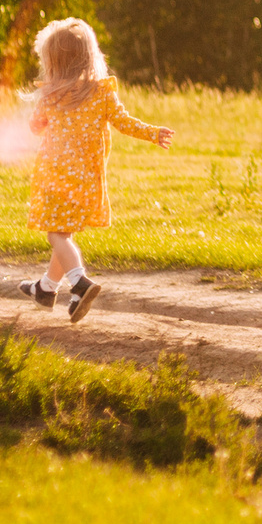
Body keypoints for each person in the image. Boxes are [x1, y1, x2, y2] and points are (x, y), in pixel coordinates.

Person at [18, 17, 173, 322]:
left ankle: (79, 281)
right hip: (88, 181)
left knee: (56, 235)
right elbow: (124, 122)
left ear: (54, 62)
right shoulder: (102, 91)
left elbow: (35, 127)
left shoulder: (51, 95)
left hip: (56, 179)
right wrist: (153, 133)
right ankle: (47, 289)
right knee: (64, 233)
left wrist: (37, 122)